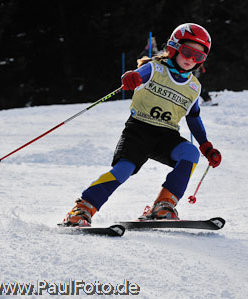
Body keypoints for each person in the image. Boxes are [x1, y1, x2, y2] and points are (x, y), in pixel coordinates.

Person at [62, 23, 222, 227]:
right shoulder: (155, 68)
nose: (192, 59)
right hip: (139, 131)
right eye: (188, 51)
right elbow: (138, 75)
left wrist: (206, 146)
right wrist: (132, 77)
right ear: (174, 47)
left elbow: (194, 118)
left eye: (199, 57)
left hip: (167, 136)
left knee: (189, 154)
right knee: (124, 170)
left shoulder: (193, 87)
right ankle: (83, 208)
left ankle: (164, 205)